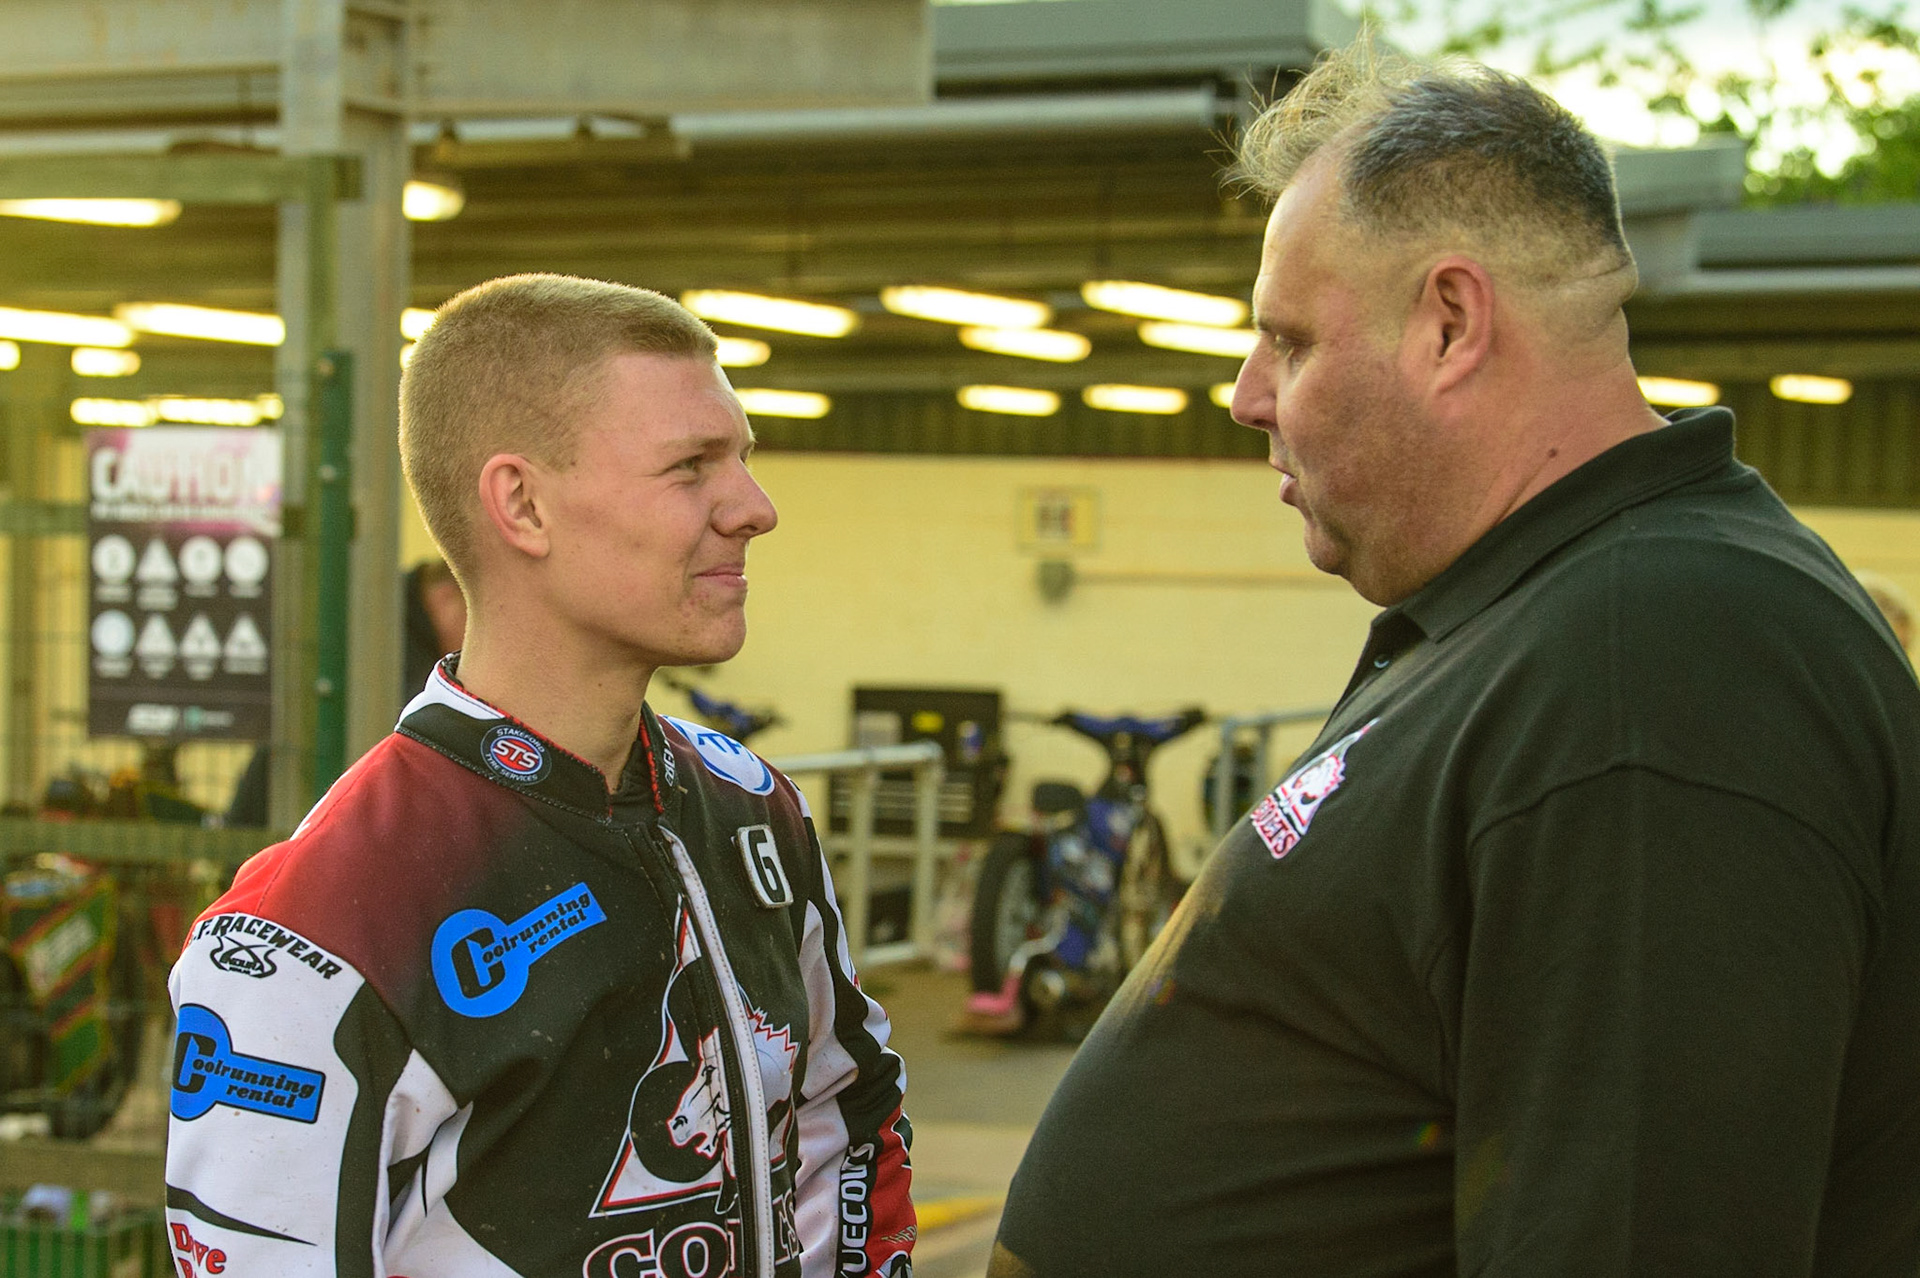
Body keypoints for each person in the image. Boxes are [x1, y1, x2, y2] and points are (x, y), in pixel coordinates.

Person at [993, 37, 1920, 1278]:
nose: (1245, 394)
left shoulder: (1659, 658)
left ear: (1448, 323)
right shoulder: (1553, 615)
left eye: (1293, 340)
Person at [168, 275, 916, 1278]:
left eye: (742, 458)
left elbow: (847, 1120)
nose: (755, 508)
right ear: (521, 504)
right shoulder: (321, 926)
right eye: (692, 466)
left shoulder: (751, 812)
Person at [224, 559, 466, 827]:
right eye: (473, 617)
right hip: (306, 801)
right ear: (446, 598)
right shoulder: (387, 637)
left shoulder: (383, 612)